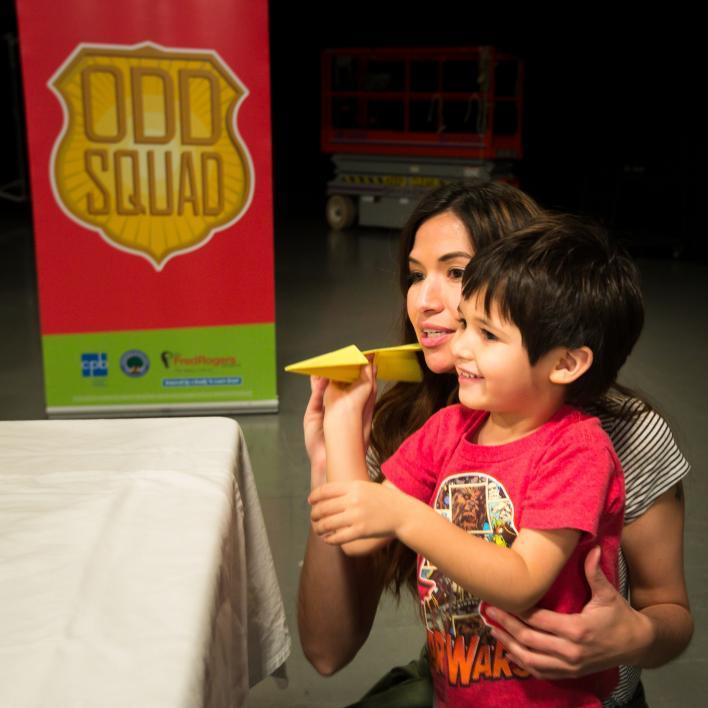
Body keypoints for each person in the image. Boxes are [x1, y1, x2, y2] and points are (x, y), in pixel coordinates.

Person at [297, 182, 692, 707]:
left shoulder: (609, 438)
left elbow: (667, 611)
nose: (425, 301)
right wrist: (333, 454)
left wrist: (636, 636)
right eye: (416, 275)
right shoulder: (423, 428)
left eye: (456, 273)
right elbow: (327, 650)